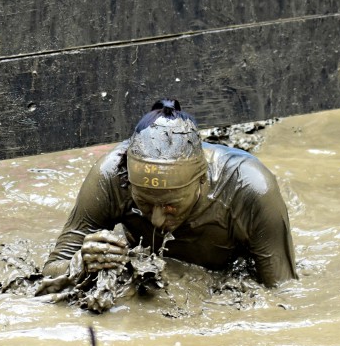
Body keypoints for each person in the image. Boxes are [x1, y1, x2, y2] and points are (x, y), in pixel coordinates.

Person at [37, 99, 297, 295]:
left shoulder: (250, 189)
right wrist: (81, 263)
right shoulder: (112, 176)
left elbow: (283, 295)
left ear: (203, 180)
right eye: (145, 204)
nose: (158, 219)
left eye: (171, 205)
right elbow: (50, 273)